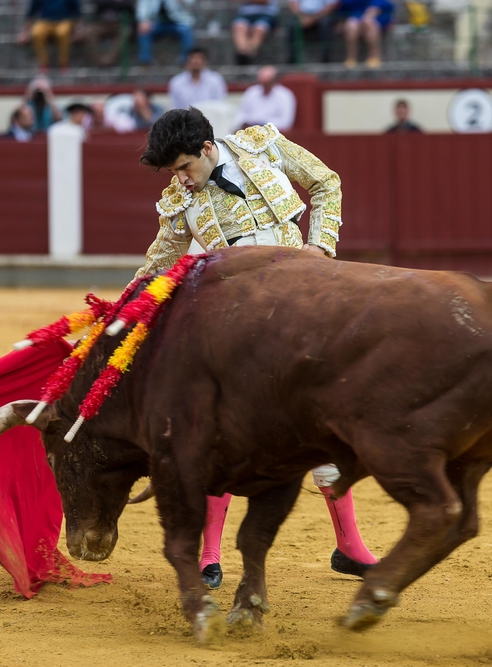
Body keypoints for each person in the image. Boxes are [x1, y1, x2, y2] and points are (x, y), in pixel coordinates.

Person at [135, 108, 377, 587]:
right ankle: (209, 554)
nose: (180, 181)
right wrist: (125, 312)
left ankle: (349, 546)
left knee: (323, 420)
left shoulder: (262, 146)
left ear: (207, 149)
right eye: (172, 173)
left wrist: (319, 248)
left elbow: (326, 182)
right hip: (239, 327)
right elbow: (157, 264)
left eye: (184, 168)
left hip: (303, 308)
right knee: (226, 428)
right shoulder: (178, 202)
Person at [18, 0, 81, 72]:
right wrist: (25, 32)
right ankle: (44, 63)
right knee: (36, 32)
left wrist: (77, 32)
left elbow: (76, 13)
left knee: (62, 33)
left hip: (64, 21)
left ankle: (63, 63)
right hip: (45, 21)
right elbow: (31, 13)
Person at [236, 66, 296, 131]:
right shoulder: (252, 92)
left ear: (274, 81)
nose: (265, 86)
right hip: (249, 131)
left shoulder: (285, 95)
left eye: (267, 83)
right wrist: (246, 122)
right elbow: (241, 114)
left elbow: (285, 123)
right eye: (262, 83)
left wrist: (263, 124)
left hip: (273, 134)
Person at [136, 0, 195, 66]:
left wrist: (183, 1)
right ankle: (145, 61)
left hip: (177, 22)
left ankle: (186, 60)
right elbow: (142, 8)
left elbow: (191, 3)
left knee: (185, 30)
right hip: (156, 23)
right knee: (144, 32)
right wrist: (143, 20)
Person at [337, 0, 393, 68]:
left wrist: (372, 11)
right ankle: (351, 58)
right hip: (356, 18)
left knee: (370, 24)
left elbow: (386, 6)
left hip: (376, 18)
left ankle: (374, 57)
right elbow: (343, 6)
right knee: (351, 25)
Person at [80, 0, 135, 66]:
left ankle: (108, 61)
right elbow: (98, 3)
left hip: (120, 23)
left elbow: (129, 5)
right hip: (101, 23)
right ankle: (99, 61)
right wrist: (116, 2)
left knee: (127, 31)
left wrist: (116, 3)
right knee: (88, 31)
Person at [231, 0, 278, 65]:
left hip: (266, 14)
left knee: (259, 29)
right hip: (245, 13)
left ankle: (250, 54)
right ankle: (243, 54)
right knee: (239, 27)